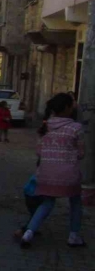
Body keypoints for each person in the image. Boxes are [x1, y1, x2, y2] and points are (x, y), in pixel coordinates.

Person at [21, 93, 86, 249]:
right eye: (72, 105)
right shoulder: (76, 128)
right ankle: (74, 235)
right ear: (66, 108)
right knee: (75, 202)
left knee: (47, 202)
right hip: (69, 175)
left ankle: (28, 233)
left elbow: (39, 152)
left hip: (46, 174)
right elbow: (81, 154)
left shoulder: (45, 127)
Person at [13, 175, 44, 240]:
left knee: (34, 214)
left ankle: (30, 229)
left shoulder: (37, 174)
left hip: (29, 193)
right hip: (36, 195)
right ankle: (24, 230)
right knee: (36, 215)